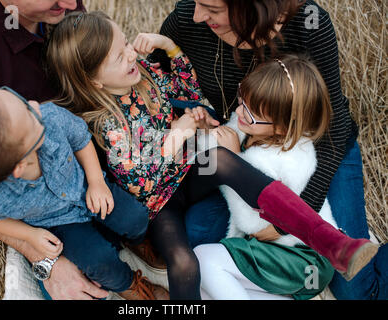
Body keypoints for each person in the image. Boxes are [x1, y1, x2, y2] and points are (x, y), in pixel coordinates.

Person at [45, 11, 377, 300]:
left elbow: (191, 95)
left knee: (221, 159)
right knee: (185, 260)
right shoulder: (106, 123)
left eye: (126, 44)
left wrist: (170, 49)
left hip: (188, 171)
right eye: (119, 57)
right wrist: (178, 133)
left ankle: (328, 239)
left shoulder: (144, 74)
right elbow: (142, 183)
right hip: (160, 204)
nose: (131, 55)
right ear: (94, 80)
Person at [149, 0, 387, 300]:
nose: (197, 14)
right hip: (241, 141)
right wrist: (190, 116)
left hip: (322, 147)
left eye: (211, 7)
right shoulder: (188, 18)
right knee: (197, 234)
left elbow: (335, 130)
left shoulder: (309, 23)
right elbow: (159, 84)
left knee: (355, 292)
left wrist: (288, 221)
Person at [0, 0, 114, 300]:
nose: (73, 4)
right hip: (45, 212)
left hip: (98, 167)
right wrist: (44, 260)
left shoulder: (61, 4)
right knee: (97, 276)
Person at [0, 87, 169, 300]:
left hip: (87, 189)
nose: (34, 104)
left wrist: (97, 181)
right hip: (59, 224)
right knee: (100, 262)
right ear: (18, 166)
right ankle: (129, 284)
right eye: (28, 113)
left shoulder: (50, 117)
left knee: (135, 217)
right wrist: (29, 235)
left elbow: (80, 139)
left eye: (21, 100)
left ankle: (135, 241)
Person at [194, 55, 337, 300]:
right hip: (271, 252)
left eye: (250, 111)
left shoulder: (292, 158)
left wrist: (236, 161)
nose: (239, 111)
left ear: (281, 127)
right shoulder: (247, 125)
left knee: (203, 258)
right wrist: (206, 130)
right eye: (242, 99)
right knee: (203, 287)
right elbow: (211, 155)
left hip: (304, 258)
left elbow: (255, 226)